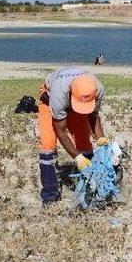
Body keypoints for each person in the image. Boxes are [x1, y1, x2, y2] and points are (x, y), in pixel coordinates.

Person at [37, 68, 108, 206]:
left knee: (84, 142)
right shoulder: (59, 93)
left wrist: (102, 140)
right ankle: (50, 195)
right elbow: (61, 131)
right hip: (49, 101)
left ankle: (88, 186)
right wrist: (78, 158)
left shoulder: (97, 89)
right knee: (48, 145)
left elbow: (93, 115)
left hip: (73, 99)